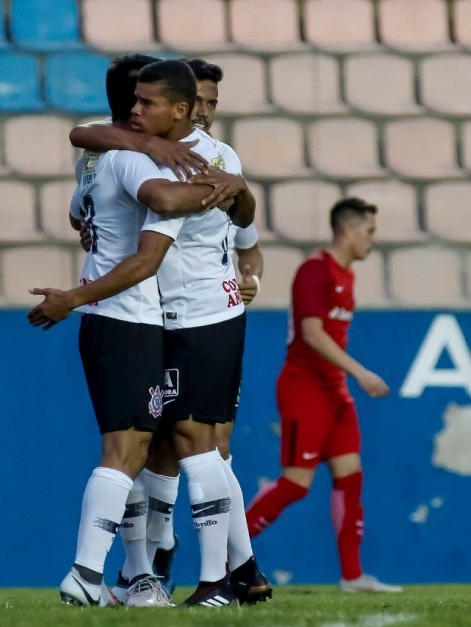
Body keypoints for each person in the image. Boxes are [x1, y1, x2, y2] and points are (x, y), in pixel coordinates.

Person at [30, 59, 259, 608]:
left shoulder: (94, 158)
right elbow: (159, 214)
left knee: (152, 447)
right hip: (138, 315)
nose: (139, 110)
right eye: (137, 101)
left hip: (154, 318)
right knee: (156, 446)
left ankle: (143, 575)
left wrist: (234, 189)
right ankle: (118, 572)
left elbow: (78, 204)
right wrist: (213, 186)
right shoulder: (135, 157)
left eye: (146, 101)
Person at [244, 198, 402, 594]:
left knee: (350, 478)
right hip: (305, 391)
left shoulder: (346, 276)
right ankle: (227, 559)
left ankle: (353, 577)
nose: (372, 240)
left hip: (335, 394)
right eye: (369, 231)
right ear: (346, 230)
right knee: (296, 484)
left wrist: (347, 380)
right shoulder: (315, 270)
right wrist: (361, 372)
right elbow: (312, 334)